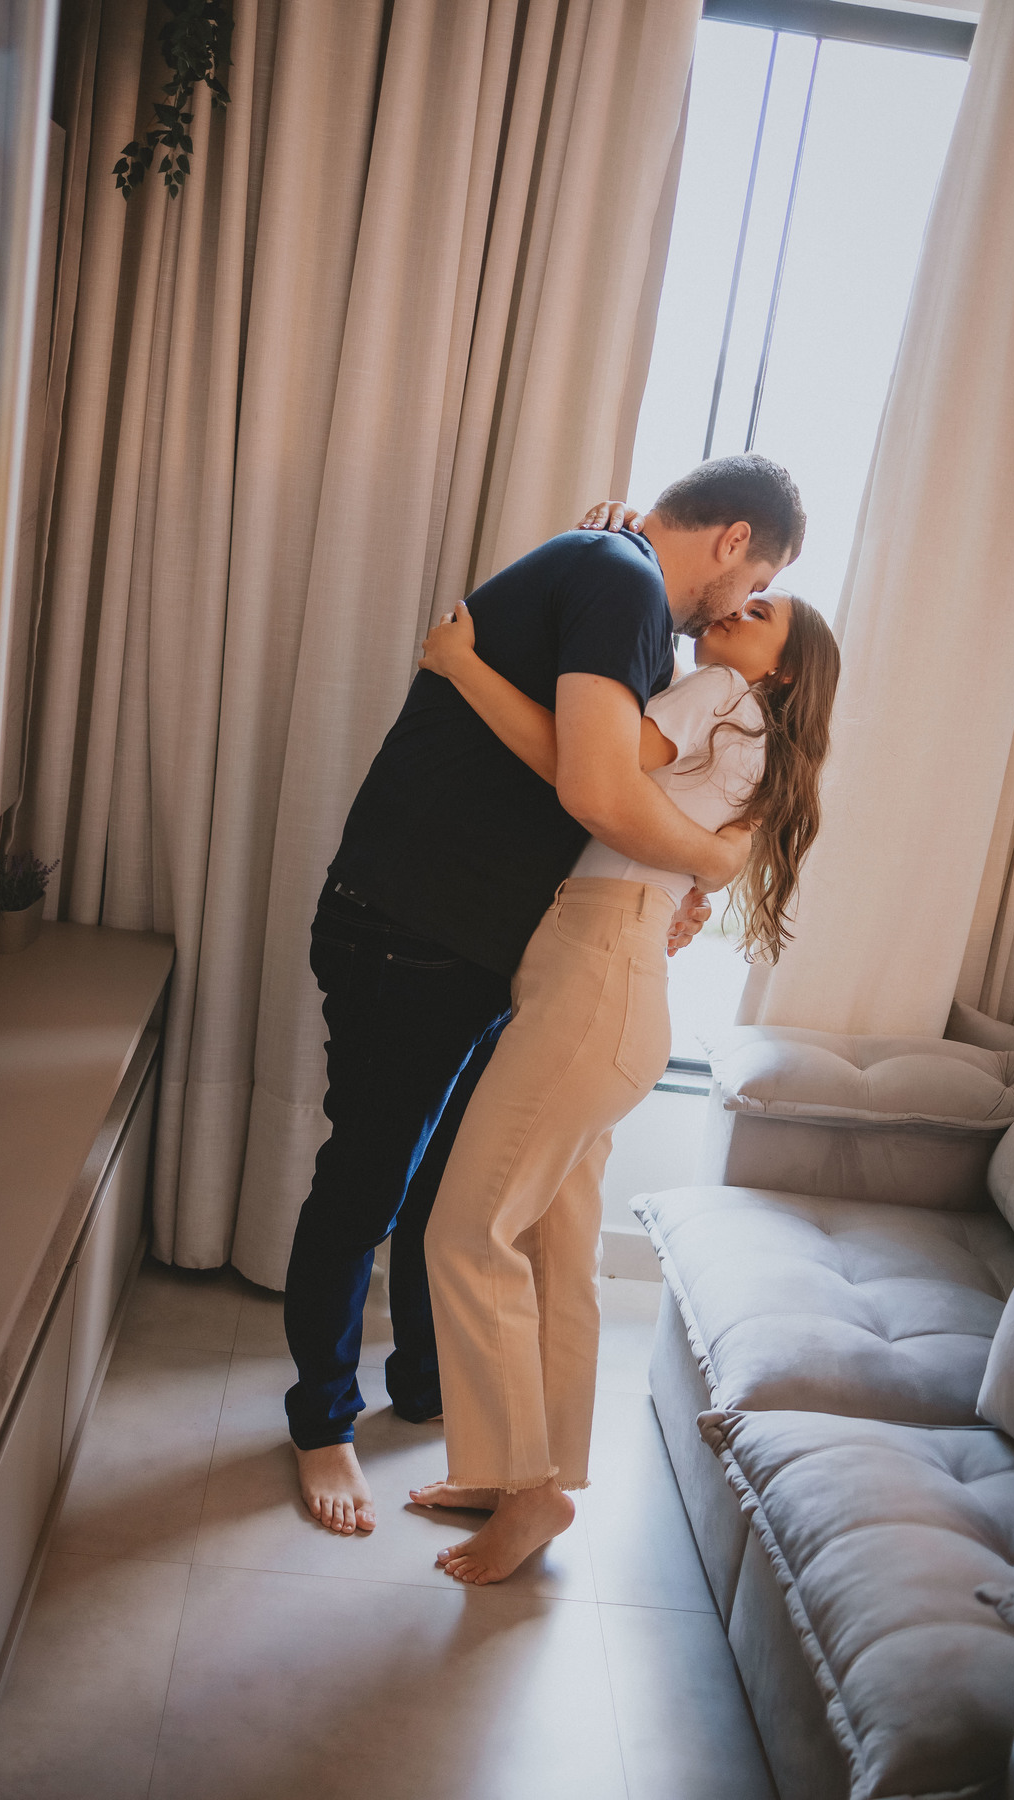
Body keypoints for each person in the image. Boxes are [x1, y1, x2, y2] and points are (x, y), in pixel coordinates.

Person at [283, 455, 806, 1536]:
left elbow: (602, 772)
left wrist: (696, 870)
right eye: (758, 581)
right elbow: (595, 786)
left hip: (494, 947)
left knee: (449, 1189)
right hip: (413, 927)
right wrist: (712, 861)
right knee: (375, 1179)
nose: (741, 606)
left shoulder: (641, 609)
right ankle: (321, 1421)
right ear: (731, 542)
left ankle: (433, 1395)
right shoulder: (622, 581)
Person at [411, 583, 840, 1582]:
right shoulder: (752, 733)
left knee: (467, 1233)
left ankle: (527, 1489)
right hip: (613, 986)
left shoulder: (720, 694)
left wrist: (461, 665)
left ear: (783, 668)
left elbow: (589, 765)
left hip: (594, 982)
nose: (741, 608)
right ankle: (523, 1476)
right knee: (554, 1246)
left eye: (763, 611)